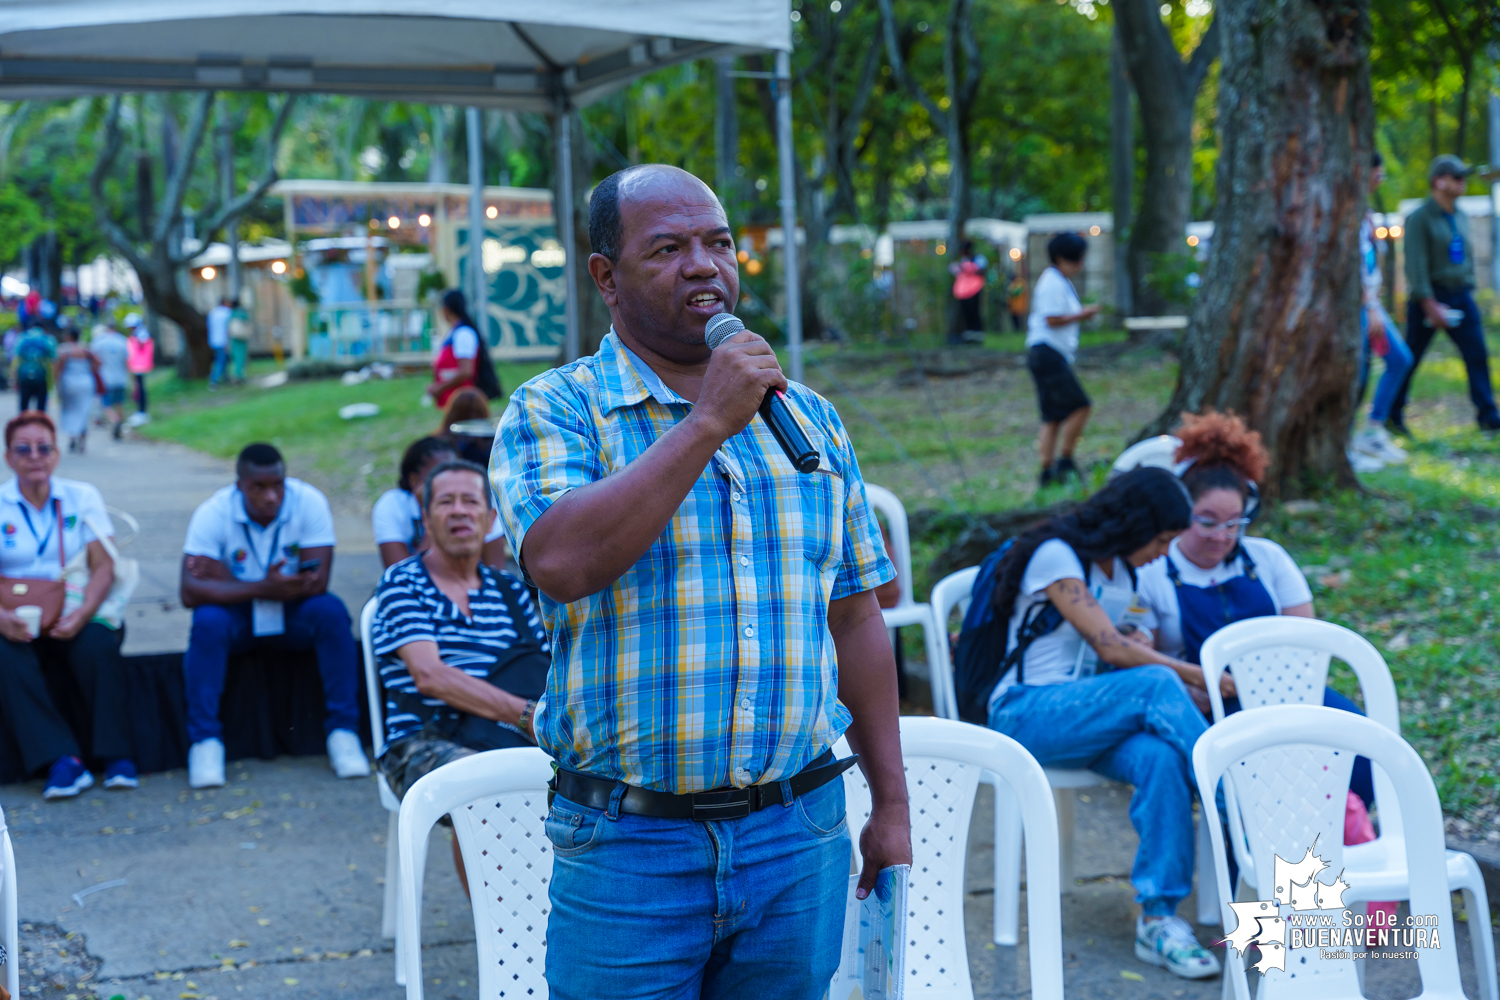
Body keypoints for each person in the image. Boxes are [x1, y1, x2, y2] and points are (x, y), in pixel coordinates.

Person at [494, 163, 911, 999]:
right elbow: (563, 563)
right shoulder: (557, 409)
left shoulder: (809, 417)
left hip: (798, 835)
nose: (704, 265)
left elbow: (857, 616)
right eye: (670, 247)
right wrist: (710, 420)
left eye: (719, 243)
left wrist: (891, 805)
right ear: (605, 277)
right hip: (628, 846)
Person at [981, 467, 1224, 979]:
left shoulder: (1125, 573)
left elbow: (1121, 646)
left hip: (1088, 718)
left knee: (1159, 758)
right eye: (1160, 539)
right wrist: (1198, 676)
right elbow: (1108, 645)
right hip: (1026, 714)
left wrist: (1144, 643)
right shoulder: (1057, 554)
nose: (1163, 551)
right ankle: (1236, 798)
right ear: (1134, 524)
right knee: (1158, 686)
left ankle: (1158, 920)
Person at [1134, 412, 1375, 801]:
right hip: (1208, 708)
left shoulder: (1269, 559)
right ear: (1182, 513)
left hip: (1289, 693)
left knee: (1360, 748)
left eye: (1235, 523)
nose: (1222, 537)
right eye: (1207, 522)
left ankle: (1350, 843)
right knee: (1263, 784)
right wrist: (1189, 686)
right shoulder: (1152, 573)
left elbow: (1306, 642)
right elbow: (1140, 658)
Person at [371, 460, 550, 893]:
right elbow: (430, 676)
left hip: (506, 735)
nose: (458, 512)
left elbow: (547, 673)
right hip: (420, 742)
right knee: (484, 781)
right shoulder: (403, 584)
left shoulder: (510, 592)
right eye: (445, 502)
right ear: (426, 517)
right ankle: (501, 934)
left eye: (471, 501)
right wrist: (528, 716)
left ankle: (556, 913)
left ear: (490, 519)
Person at [179, 443, 368, 788]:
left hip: (293, 612)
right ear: (240, 486)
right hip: (239, 617)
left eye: (277, 485)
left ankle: (343, 732)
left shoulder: (308, 501)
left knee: (330, 612)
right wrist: (264, 586)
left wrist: (228, 581)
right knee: (207, 620)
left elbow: (318, 582)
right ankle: (204, 741)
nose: (271, 496)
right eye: (259, 487)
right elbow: (189, 592)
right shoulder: (214, 512)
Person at [0, 412, 136, 798]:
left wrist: (81, 614)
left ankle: (117, 756)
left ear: (57, 454)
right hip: (16, 616)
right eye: (23, 449)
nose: (35, 457)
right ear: (9, 457)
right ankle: (62, 760)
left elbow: (103, 565)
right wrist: (2, 618)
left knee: (96, 644)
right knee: (4, 654)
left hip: (75, 606)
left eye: (44, 448)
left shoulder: (82, 496)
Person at [1387, 154, 1500, 437]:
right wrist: (1428, 302)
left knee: (1477, 355)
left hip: (1460, 297)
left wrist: (1469, 285)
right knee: (1409, 358)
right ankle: (1392, 415)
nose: (1463, 182)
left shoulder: (1460, 215)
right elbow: (1415, 263)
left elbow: (1466, 255)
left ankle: (1488, 415)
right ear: (1439, 181)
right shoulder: (1419, 218)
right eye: (1457, 177)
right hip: (1429, 298)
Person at [1350, 153, 1415, 467]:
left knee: (1400, 359)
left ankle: (1373, 430)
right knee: (1357, 373)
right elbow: (1353, 266)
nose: (1380, 179)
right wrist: (1372, 306)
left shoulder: (1366, 213)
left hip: (1371, 304)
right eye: (1379, 173)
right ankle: (1346, 440)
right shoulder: (1346, 213)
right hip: (1359, 307)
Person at [1026, 232, 1100, 488]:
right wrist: (1082, 314)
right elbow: (1052, 319)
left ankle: (1047, 470)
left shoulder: (1059, 281)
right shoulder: (1052, 283)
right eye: (1075, 260)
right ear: (1061, 258)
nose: (1079, 265)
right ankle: (1065, 459)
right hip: (1048, 352)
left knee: (1052, 415)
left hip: (1047, 352)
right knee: (1080, 405)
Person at [373, 436, 507, 569]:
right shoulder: (392, 505)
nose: (449, 482)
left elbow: (496, 571)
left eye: (455, 473)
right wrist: (433, 515)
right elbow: (399, 578)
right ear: (414, 480)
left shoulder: (480, 501)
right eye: (438, 476)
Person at [426, 289, 499, 408]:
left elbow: (466, 372)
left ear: (446, 309)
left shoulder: (463, 333)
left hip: (464, 402)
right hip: (455, 401)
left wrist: (440, 388)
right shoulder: (454, 332)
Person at [54, 327, 101, 455]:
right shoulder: (87, 349)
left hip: (69, 383)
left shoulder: (64, 350)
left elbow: (57, 368)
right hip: (86, 383)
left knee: (70, 411)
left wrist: (55, 384)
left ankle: (72, 436)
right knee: (84, 411)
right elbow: (98, 363)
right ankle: (83, 439)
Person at [92, 320, 131, 440]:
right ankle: (120, 424)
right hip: (121, 378)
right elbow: (127, 361)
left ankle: (115, 420)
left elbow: (93, 360)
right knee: (119, 403)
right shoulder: (123, 341)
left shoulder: (99, 342)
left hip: (105, 378)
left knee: (106, 405)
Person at [437, 387, 493, 466]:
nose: (473, 417)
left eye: (477, 413)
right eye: (467, 415)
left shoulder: (491, 441)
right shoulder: (441, 444)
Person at [948, 239, 988, 345]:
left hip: (975, 290)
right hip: (963, 292)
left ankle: (978, 336)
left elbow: (982, 271)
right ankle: (969, 336)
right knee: (966, 314)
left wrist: (970, 269)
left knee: (975, 312)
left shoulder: (978, 259)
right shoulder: (962, 260)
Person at [13, 323, 56, 414]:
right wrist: (53, 381)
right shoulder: (47, 339)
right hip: (41, 376)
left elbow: (16, 361)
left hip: (24, 376)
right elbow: (53, 361)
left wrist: (14, 379)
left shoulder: (22, 337)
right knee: (41, 408)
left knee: (24, 406)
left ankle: (23, 425)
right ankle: (40, 426)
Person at [124, 314, 154, 427]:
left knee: (140, 389)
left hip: (140, 366)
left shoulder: (141, 333)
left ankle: (142, 413)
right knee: (138, 388)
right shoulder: (139, 333)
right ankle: (140, 412)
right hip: (136, 366)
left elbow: (141, 346)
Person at [206, 297, 232, 389]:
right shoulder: (227, 312)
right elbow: (229, 328)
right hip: (223, 341)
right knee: (220, 361)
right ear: (225, 303)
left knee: (222, 360)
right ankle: (214, 381)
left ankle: (226, 379)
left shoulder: (213, 312)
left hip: (213, 340)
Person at [228, 298, 252, 384]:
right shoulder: (242, 313)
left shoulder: (231, 314)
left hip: (234, 339)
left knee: (235, 359)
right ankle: (239, 376)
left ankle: (234, 375)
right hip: (242, 339)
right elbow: (248, 323)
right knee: (241, 358)